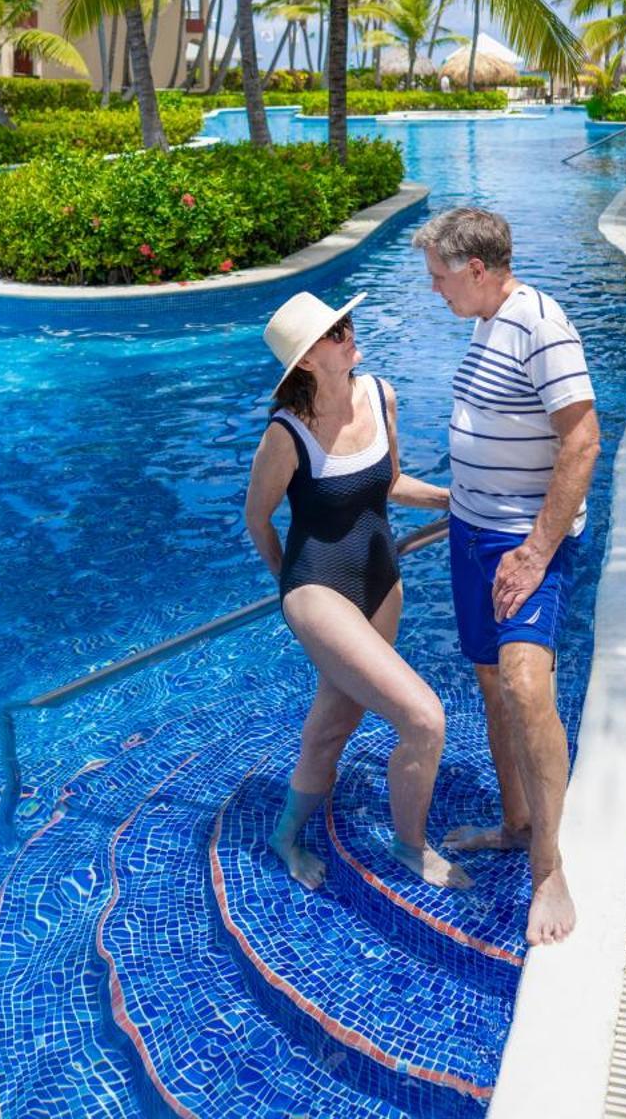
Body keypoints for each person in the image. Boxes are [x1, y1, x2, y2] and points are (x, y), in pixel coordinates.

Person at [412, 207, 600, 948]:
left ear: (477, 270)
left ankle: (549, 867)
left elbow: (581, 441)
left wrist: (534, 550)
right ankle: (518, 823)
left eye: (438, 277)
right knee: (492, 683)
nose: (433, 290)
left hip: (522, 544)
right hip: (471, 534)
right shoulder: (489, 323)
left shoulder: (541, 326)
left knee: (526, 688)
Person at [244, 288, 467, 893]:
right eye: (334, 332)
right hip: (317, 587)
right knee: (423, 718)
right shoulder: (286, 435)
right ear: (308, 360)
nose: (348, 334)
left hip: (381, 577)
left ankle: (285, 834)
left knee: (334, 724)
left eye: (345, 323)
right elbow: (258, 518)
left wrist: (459, 500)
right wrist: (292, 594)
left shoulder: (379, 394)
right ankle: (409, 846)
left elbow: (391, 482)